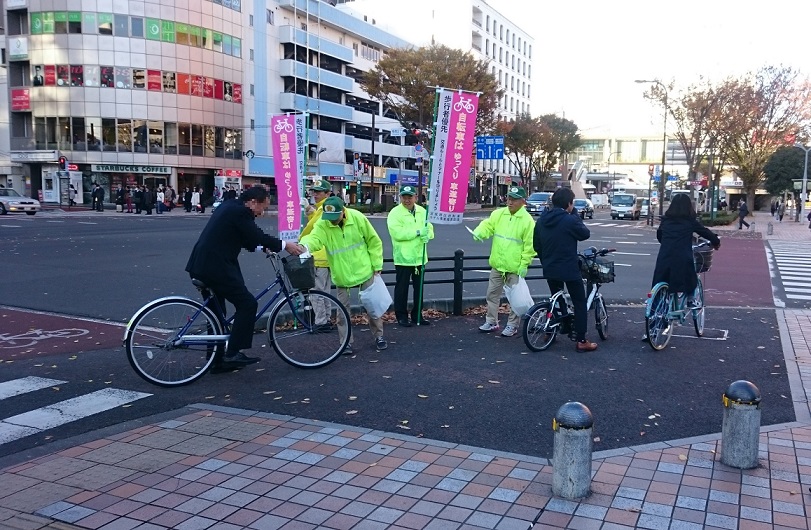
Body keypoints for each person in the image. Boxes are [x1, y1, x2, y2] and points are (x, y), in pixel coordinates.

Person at [186, 187, 306, 372]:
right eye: (262, 207)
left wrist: (262, 248)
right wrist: (284, 245)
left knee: (217, 316)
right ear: (252, 202)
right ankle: (232, 352)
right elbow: (255, 234)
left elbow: (243, 237)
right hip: (216, 267)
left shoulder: (230, 206)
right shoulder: (240, 212)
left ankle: (216, 361)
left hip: (202, 265)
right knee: (247, 304)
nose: (262, 212)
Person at [300, 196, 388, 353]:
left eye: (335, 217)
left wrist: (376, 265)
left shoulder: (358, 218)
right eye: (329, 218)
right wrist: (304, 246)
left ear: (343, 211)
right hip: (341, 274)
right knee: (342, 312)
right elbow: (314, 238)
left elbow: (373, 241)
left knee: (372, 307)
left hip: (364, 269)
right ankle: (345, 342)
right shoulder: (324, 223)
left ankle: (379, 336)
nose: (331, 221)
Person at [534, 188, 597, 352]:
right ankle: (581, 340)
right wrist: (574, 214)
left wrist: (545, 260)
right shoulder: (569, 220)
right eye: (573, 203)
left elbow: (537, 245)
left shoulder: (541, 220)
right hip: (569, 268)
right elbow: (585, 234)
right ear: (569, 203)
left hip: (549, 267)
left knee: (556, 298)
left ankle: (552, 330)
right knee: (579, 302)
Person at [471, 186, 535, 337]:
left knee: (515, 299)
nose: (510, 202)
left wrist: (524, 264)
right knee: (492, 295)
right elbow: (488, 225)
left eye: (514, 199)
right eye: (508, 198)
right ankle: (491, 321)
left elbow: (530, 246)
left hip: (514, 267)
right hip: (498, 264)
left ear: (522, 201)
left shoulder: (527, 221)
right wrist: (480, 232)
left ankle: (512, 325)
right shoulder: (499, 214)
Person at [651, 193, 720, 310]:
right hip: (682, 257)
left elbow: (660, 236)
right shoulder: (689, 221)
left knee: (662, 281)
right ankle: (691, 299)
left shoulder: (666, 221)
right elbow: (705, 232)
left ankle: (657, 311)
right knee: (690, 277)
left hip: (665, 256)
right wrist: (716, 241)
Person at [387, 185, 434, 327]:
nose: (407, 200)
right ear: (400, 197)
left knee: (419, 288)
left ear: (415, 197)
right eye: (404, 197)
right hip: (404, 257)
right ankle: (401, 316)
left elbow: (430, 228)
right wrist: (418, 232)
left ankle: (417, 315)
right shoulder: (395, 213)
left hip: (419, 257)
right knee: (402, 288)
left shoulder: (422, 211)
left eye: (410, 197)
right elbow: (397, 234)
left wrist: (428, 235)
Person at [298, 179, 334, 331]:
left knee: (317, 292)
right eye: (314, 191)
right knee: (325, 291)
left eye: (319, 192)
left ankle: (321, 322)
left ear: (328, 193)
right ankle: (326, 318)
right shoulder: (326, 208)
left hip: (319, 255)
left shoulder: (324, 209)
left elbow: (313, 226)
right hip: (326, 256)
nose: (315, 194)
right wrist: (309, 209)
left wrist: (300, 241)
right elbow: (316, 218)